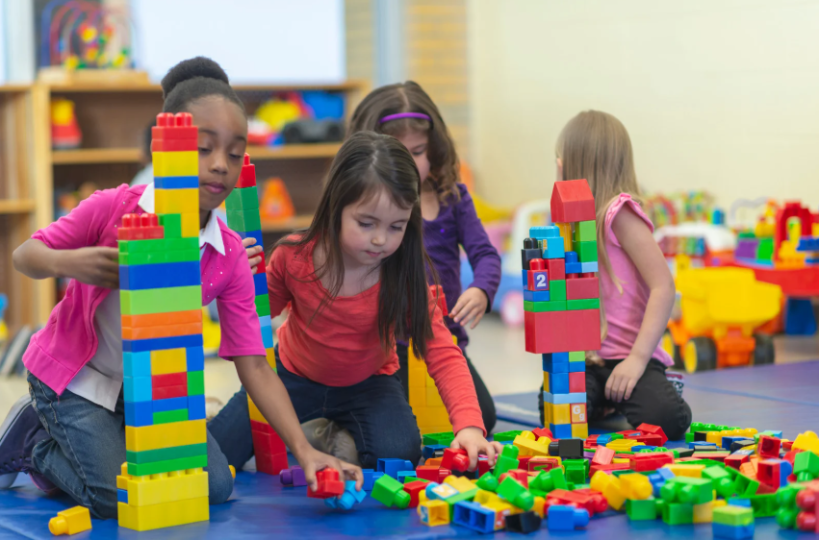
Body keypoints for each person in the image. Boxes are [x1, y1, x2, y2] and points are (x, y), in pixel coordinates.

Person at [0, 57, 359, 519]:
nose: (219, 166)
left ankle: (104, 440)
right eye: (203, 149)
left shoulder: (228, 254)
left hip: (150, 391)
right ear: (166, 151)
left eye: (234, 153)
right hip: (74, 381)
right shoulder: (114, 208)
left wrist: (304, 450)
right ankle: (34, 445)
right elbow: (23, 256)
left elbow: (255, 364)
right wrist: (73, 263)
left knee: (213, 486)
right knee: (120, 497)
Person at [209, 132, 503, 471]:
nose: (380, 239)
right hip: (292, 377)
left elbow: (441, 350)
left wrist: (468, 426)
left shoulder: (404, 275)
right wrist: (240, 281)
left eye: (397, 226)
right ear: (336, 206)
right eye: (366, 223)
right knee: (218, 453)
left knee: (400, 454)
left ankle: (329, 431)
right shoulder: (294, 257)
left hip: (369, 385)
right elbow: (255, 317)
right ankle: (295, 426)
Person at [347, 81, 500, 433]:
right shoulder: (365, 209)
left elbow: (486, 255)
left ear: (435, 147)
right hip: (386, 349)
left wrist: (481, 289)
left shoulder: (452, 198)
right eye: (396, 153)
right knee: (398, 429)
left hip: (444, 341)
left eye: (417, 151)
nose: (408, 164)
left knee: (483, 418)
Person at [549, 110, 691, 440]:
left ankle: (646, 386)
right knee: (557, 416)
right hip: (586, 359)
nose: (557, 166)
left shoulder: (620, 214)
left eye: (560, 159)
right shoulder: (569, 221)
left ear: (573, 164)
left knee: (667, 420)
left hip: (630, 357)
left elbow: (663, 287)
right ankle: (606, 401)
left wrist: (638, 359)